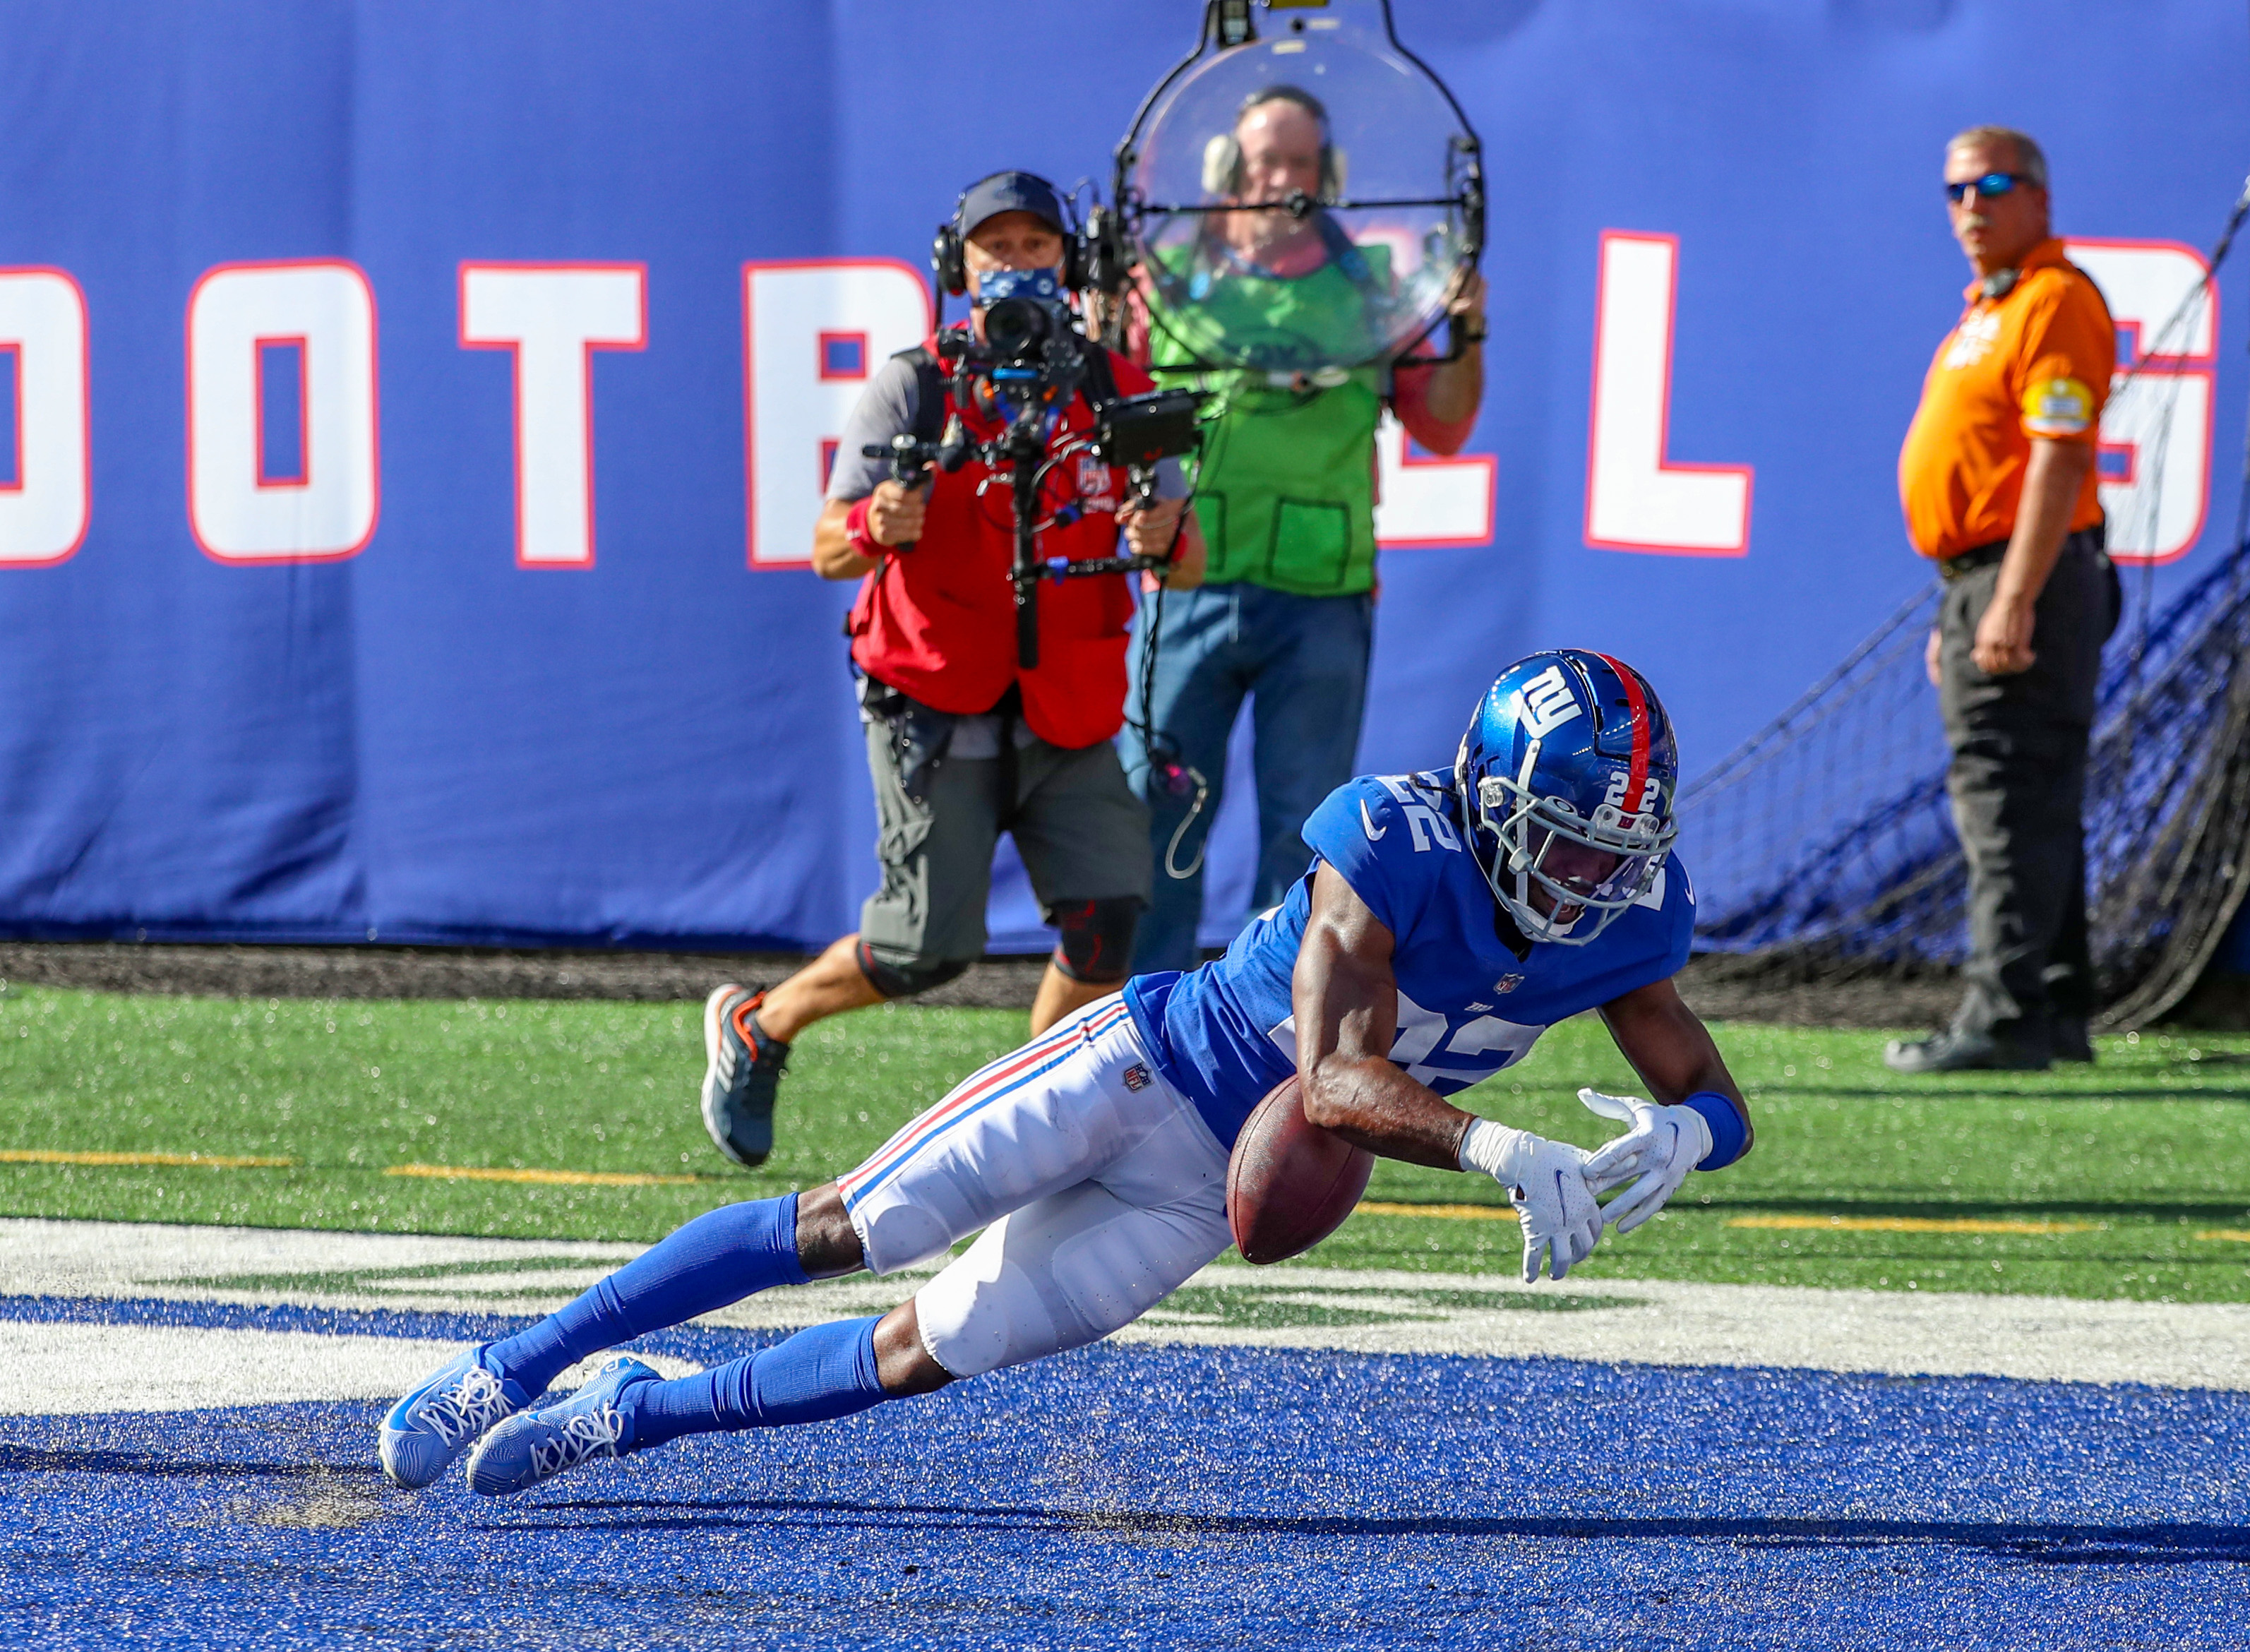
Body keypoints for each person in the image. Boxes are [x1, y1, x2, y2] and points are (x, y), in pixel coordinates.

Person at [378, 650, 1754, 1498]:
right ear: (1490, 801)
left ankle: (633, 1413)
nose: (1598, 883)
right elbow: (1333, 1081)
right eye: (1572, 844)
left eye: (1618, 854)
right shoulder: (1392, 840)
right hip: (1146, 1068)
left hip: (1196, 1197)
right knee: (851, 1228)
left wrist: (1686, 1136)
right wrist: (1497, 1148)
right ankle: (508, 1368)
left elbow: (1714, 1089)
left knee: (932, 1348)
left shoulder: (1628, 923)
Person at [699, 172, 1205, 1168]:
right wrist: (871, 523)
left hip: (1067, 693)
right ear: (956, 265)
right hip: (933, 691)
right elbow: (825, 545)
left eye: (1034, 247)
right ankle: (759, 1025)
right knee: (922, 949)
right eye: (994, 249)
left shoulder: (1114, 387)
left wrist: (1161, 531)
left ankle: (1045, 1129)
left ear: (1070, 262)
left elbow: (1183, 561)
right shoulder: (915, 385)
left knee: (1106, 919)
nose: (1015, 266)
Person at [1123, 84, 1488, 974]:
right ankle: (1136, 1026)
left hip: (1322, 594)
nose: (1280, 179)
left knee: (1302, 834)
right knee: (1151, 812)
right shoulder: (1158, 284)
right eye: (1262, 161)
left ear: (1326, 174)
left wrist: (1467, 328)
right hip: (1186, 587)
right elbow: (1113, 416)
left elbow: (1442, 426)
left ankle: (1264, 1033)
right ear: (1225, 170)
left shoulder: (1375, 288)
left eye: (1298, 162)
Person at [1887, 127, 2120, 1075]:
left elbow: (2059, 457)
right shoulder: (1991, 305)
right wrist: (1966, 602)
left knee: (2000, 791)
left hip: (2028, 571)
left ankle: (2002, 1015)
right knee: (2030, 793)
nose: (1970, 206)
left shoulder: (2053, 299)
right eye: (1953, 191)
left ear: (2039, 197)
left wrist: (2011, 598)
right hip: (1982, 576)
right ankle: (2054, 1005)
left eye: (1991, 185)